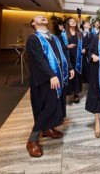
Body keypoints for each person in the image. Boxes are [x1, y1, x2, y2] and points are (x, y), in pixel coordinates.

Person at [25, 15, 75, 157]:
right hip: (45, 79)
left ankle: (47, 129)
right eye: (38, 17)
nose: (42, 17)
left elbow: (63, 53)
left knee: (57, 104)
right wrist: (51, 75)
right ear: (33, 23)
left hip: (58, 77)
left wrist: (70, 67)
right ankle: (32, 140)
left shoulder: (54, 38)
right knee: (48, 106)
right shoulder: (34, 39)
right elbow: (39, 59)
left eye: (43, 16)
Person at [60, 18, 83, 104]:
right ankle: (68, 92)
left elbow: (83, 44)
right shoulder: (63, 34)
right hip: (68, 57)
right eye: (71, 21)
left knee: (77, 76)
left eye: (74, 21)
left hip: (78, 58)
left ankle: (76, 94)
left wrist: (83, 49)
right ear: (68, 23)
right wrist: (67, 47)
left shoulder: (79, 34)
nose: (73, 22)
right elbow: (59, 46)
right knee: (69, 75)